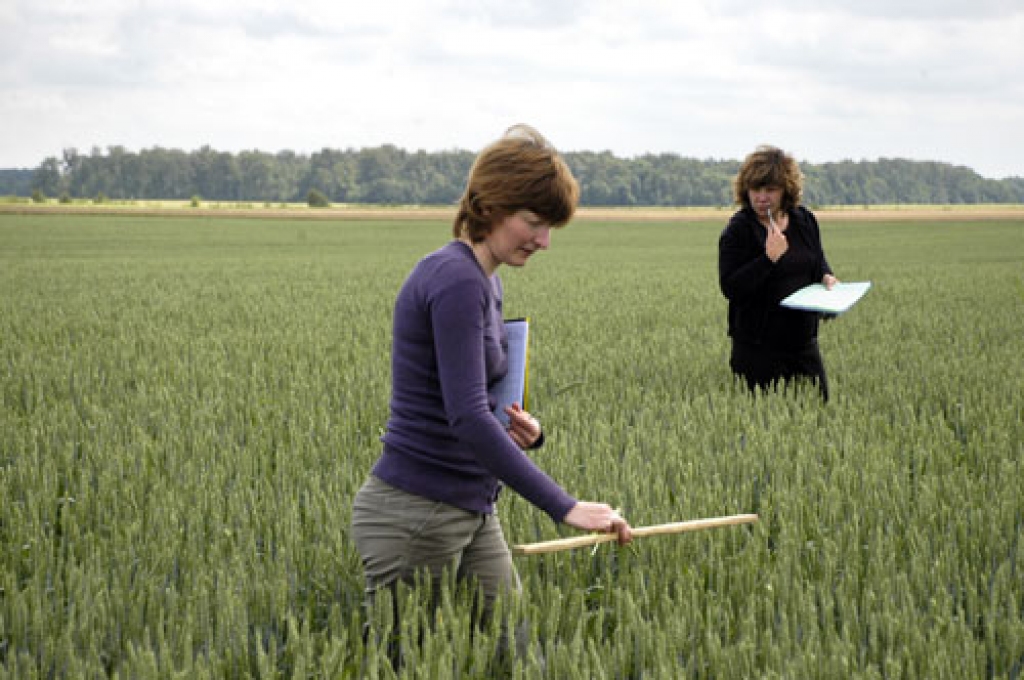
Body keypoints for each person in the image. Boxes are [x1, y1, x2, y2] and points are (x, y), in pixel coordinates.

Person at [351, 124, 632, 659]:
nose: (544, 241)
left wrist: (520, 427)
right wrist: (565, 506)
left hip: (473, 506)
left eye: (550, 227)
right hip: (417, 512)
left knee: (518, 652)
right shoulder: (455, 280)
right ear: (493, 206)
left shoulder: (486, 280)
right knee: (406, 663)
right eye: (534, 222)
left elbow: (478, 402)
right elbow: (465, 417)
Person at [718, 145, 839, 401]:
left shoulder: (804, 221)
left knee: (820, 413)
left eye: (770, 190)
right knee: (763, 426)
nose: (762, 197)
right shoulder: (738, 230)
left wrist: (826, 276)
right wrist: (768, 259)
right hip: (758, 349)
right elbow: (731, 288)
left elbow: (816, 260)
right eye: (756, 190)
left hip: (803, 345)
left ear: (786, 190)